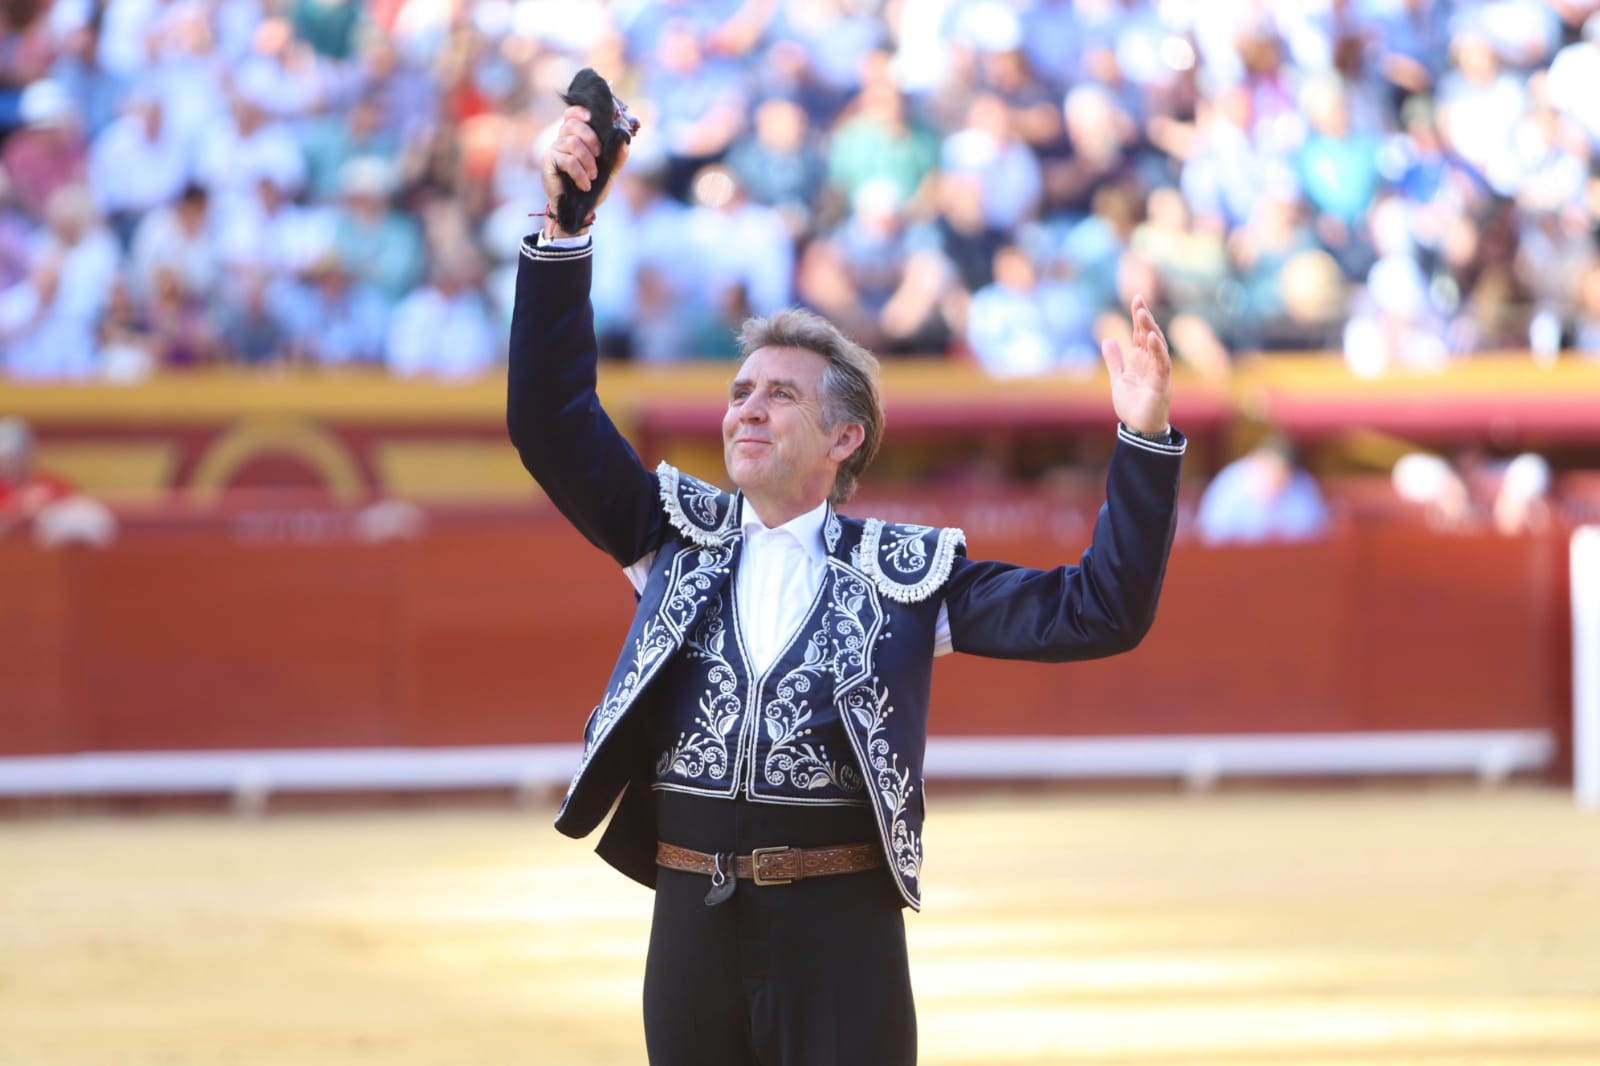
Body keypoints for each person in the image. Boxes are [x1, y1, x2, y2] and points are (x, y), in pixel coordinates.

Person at [507, 104, 1186, 1066]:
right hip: (691, 930)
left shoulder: (903, 578)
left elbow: (1098, 611)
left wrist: (1144, 439)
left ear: (845, 438)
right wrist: (566, 230)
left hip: (841, 941)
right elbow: (550, 419)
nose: (748, 410)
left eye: (780, 394)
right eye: (741, 392)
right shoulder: (670, 536)